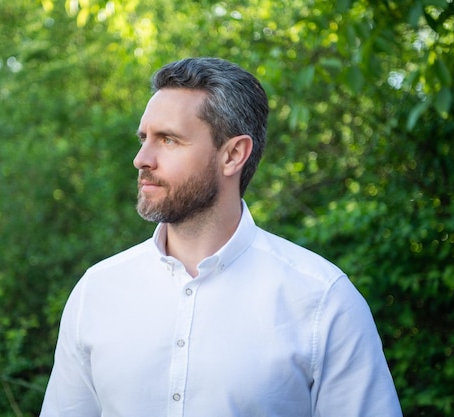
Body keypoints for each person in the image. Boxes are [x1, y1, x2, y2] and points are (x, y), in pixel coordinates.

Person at [40, 57, 402, 417]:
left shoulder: (322, 300)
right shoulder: (98, 291)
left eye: (167, 140)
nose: (141, 159)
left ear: (232, 155)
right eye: (144, 138)